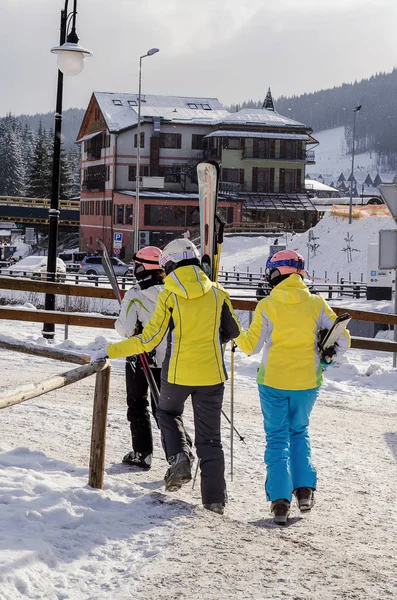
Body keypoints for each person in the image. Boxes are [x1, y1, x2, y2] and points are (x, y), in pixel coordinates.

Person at [91, 239, 241, 515]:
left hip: (178, 373)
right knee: (210, 438)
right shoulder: (218, 292)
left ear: (170, 265)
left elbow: (148, 340)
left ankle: (179, 456)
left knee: (168, 413)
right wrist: (213, 336)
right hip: (211, 375)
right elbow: (233, 331)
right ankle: (215, 501)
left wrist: (110, 350)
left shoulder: (170, 296)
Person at [235, 249, 350, 525]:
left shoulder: (267, 305)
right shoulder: (316, 304)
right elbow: (342, 338)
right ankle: (305, 491)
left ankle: (280, 501)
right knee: (299, 432)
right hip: (307, 383)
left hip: (273, 381)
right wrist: (327, 359)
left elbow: (250, 346)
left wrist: (233, 332)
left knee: (277, 439)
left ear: (277, 273)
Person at [113, 246, 166, 470]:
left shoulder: (136, 293)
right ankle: (181, 451)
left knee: (137, 403)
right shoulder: (172, 290)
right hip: (169, 357)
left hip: (141, 354)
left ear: (143, 267)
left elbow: (124, 329)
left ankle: (142, 452)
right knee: (165, 410)